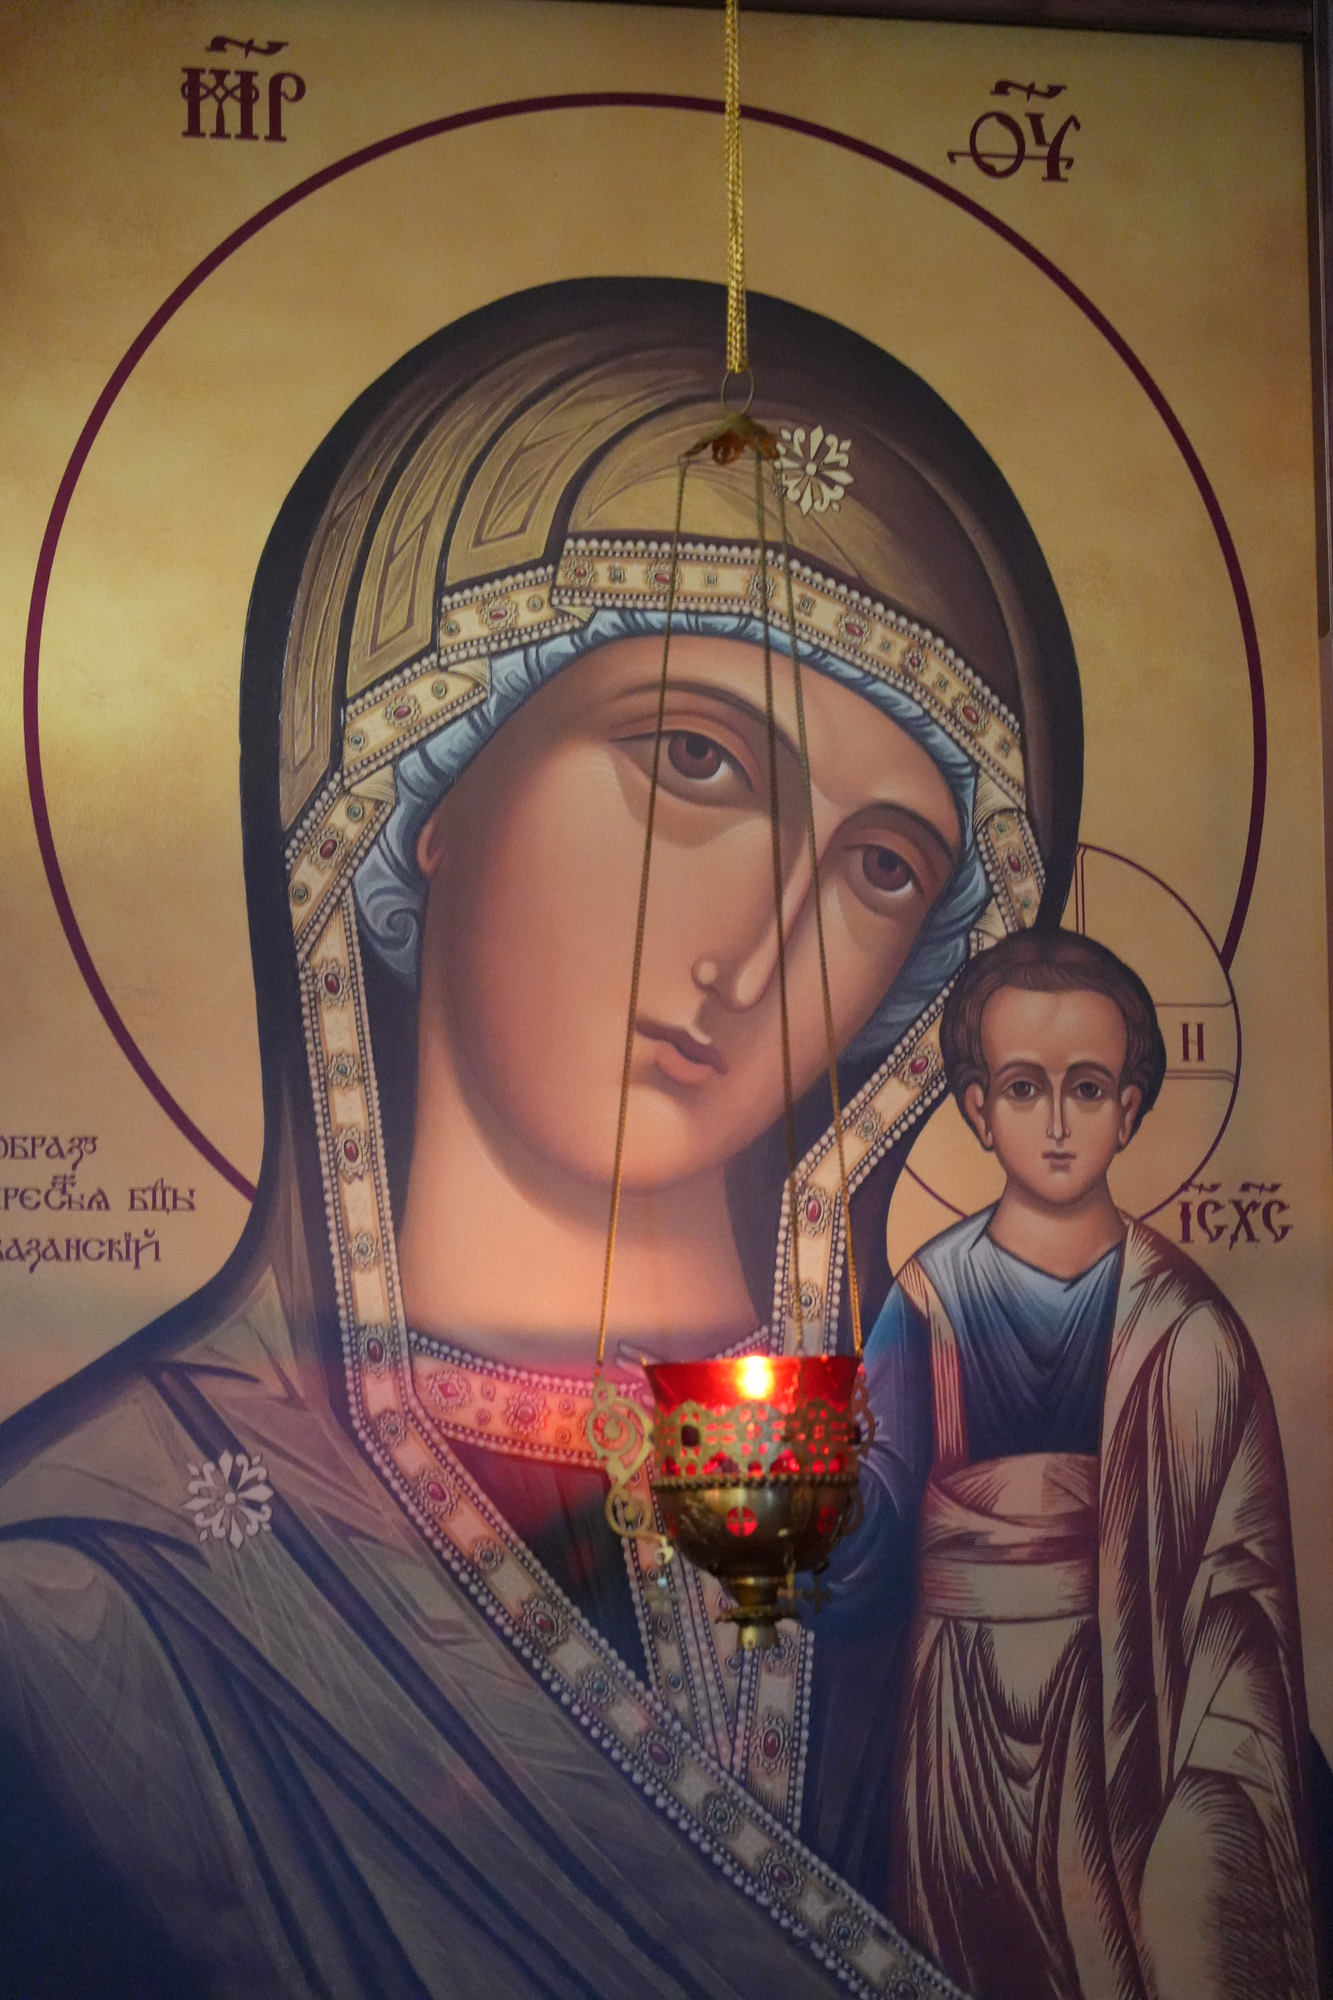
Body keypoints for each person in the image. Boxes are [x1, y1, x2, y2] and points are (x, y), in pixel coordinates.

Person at [0, 281, 1083, 1997]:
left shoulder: (980, 1511)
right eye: (693, 761)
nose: (755, 955)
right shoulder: (99, 1594)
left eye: (881, 868)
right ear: (417, 783)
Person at [845, 928, 1318, 2000]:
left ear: (1130, 1107)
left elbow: (1238, 1588)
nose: (1057, 1123)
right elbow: (870, 1532)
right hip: (959, 1723)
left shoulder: (1187, 1324)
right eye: (1023, 1087)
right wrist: (777, 1501)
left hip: (1125, 1717)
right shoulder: (925, 1298)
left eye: (1088, 1088)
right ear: (977, 1109)